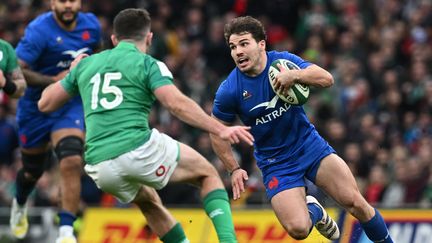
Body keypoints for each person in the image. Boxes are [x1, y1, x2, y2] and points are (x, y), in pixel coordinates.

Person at [38, 8, 254, 243]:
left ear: (113, 39)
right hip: (136, 149)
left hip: (100, 165)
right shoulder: (148, 64)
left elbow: (45, 103)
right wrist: (220, 128)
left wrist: (73, 71)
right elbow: (175, 104)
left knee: (146, 199)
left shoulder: (87, 65)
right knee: (208, 174)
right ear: (149, 37)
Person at [210, 16, 393, 242]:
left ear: (261, 44)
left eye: (244, 43)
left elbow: (326, 78)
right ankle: (315, 211)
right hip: (276, 163)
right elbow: (216, 130)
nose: (237, 51)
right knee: (298, 229)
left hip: (309, 146)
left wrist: (293, 75)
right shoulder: (229, 90)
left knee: (357, 203)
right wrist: (234, 168)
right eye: (233, 47)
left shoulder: (283, 62)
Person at [10, 0, 101, 242]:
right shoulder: (39, 31)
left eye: (73, 0)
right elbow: (18, 71)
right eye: (62, 1)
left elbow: (99, 55)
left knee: (71, 159)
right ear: (52, 4)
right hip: (35, 108)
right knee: (32, 172)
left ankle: (66, 232)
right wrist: (54, 80)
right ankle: (20, 203)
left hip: (69, 104)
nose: (68, 6)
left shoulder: (91, 26)